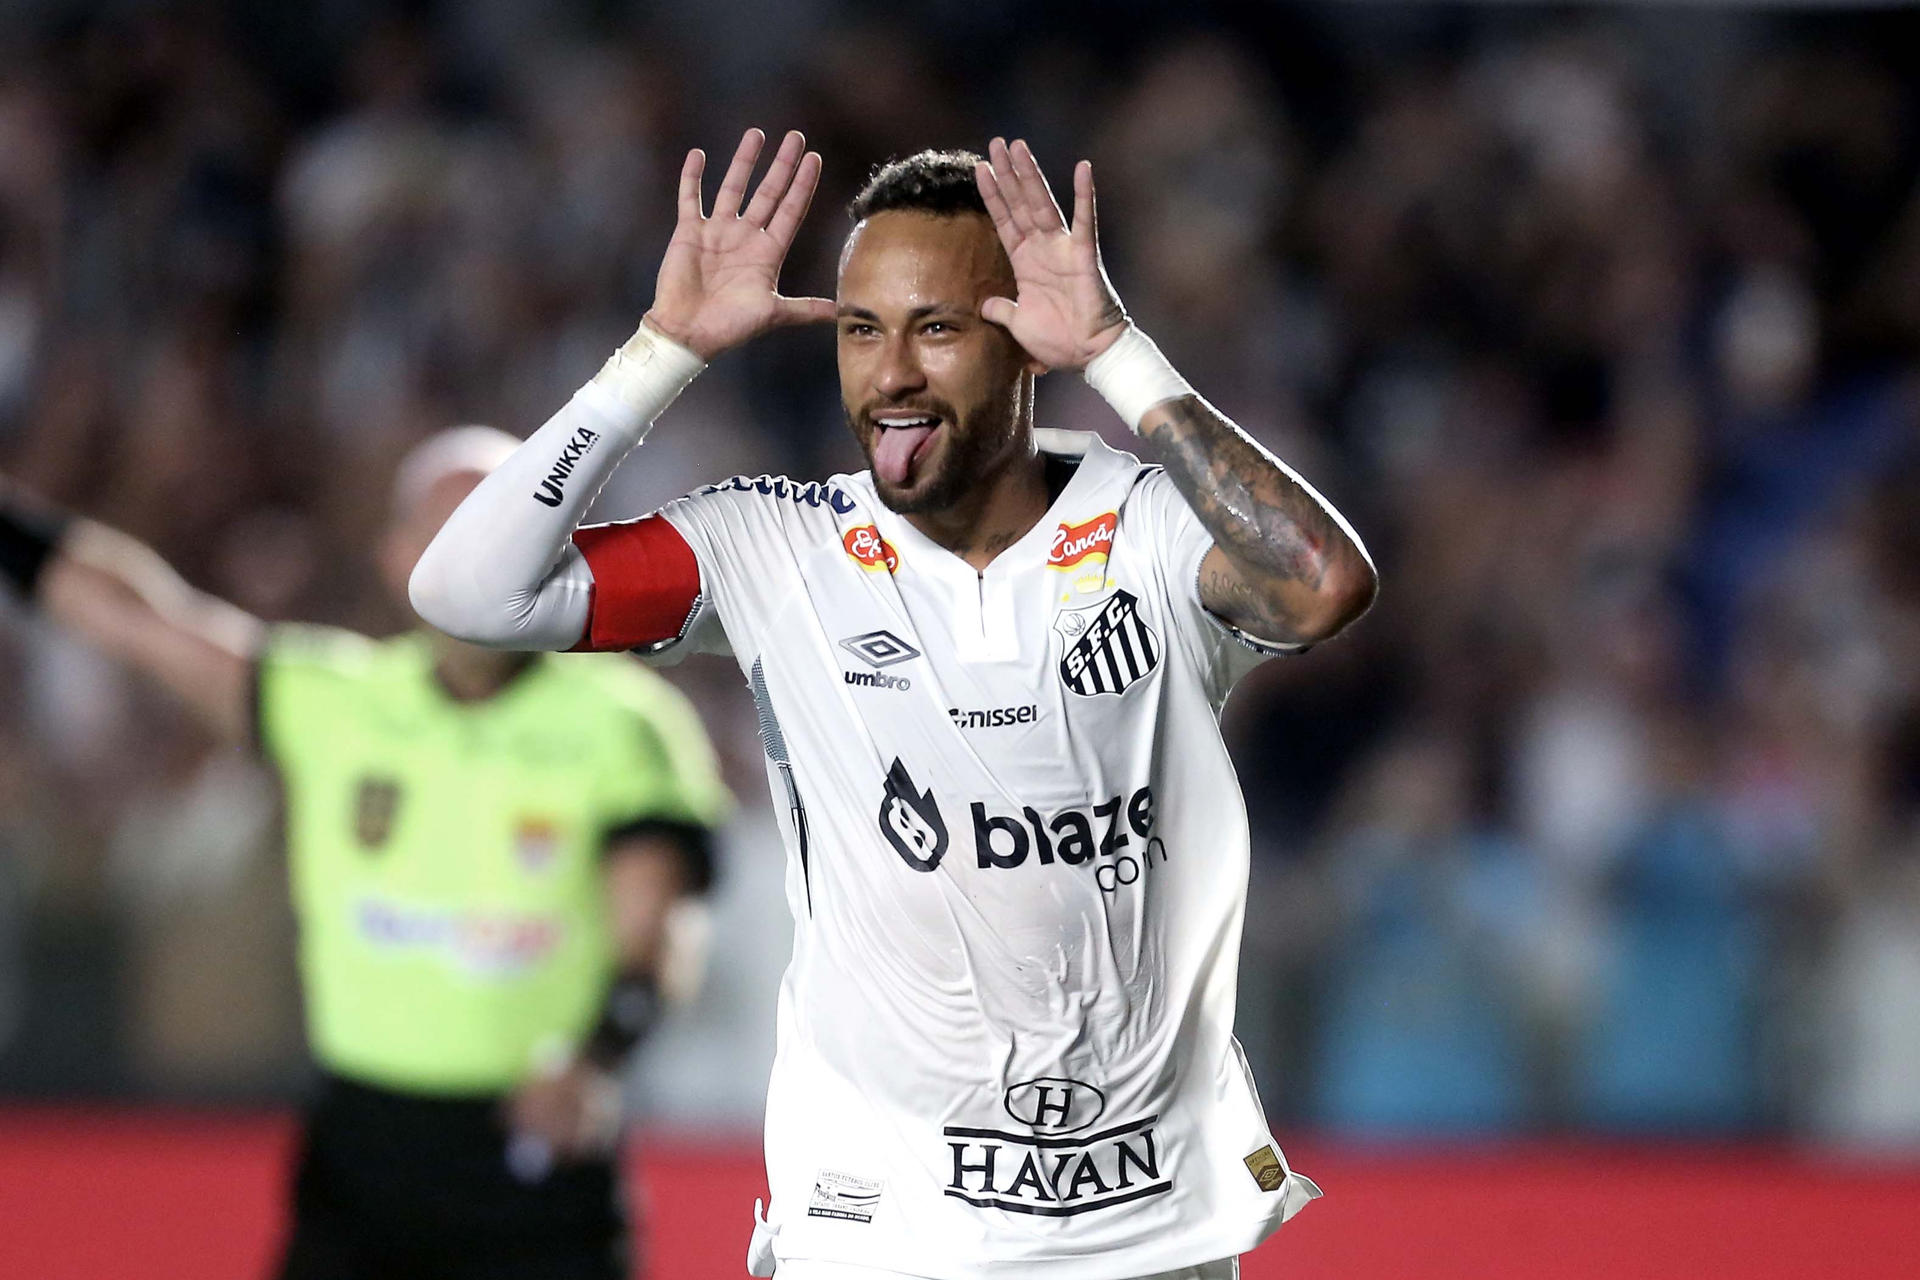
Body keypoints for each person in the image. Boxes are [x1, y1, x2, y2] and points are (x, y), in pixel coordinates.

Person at [410, 128, 1376, 1280]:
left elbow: (1324, 581)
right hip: (878, 1230)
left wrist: (1119, 352)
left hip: (1145, 1226)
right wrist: (660, 351)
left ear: (1023, 340)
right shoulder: (776, 543)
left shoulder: (1151, 531)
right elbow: (465, 588)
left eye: (937, 328)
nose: (892, 374)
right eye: (862, 329)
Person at [0, 427, 730, 1280]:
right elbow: (138, 615)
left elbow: (659, 926)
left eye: (507, 535)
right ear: (396, 560)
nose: (478, 566)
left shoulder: (623, 724)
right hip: (361, 1154)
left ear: (556, 552)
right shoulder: (331, 701)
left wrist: (599, 1058)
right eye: (450, 540)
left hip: (536, 1155)